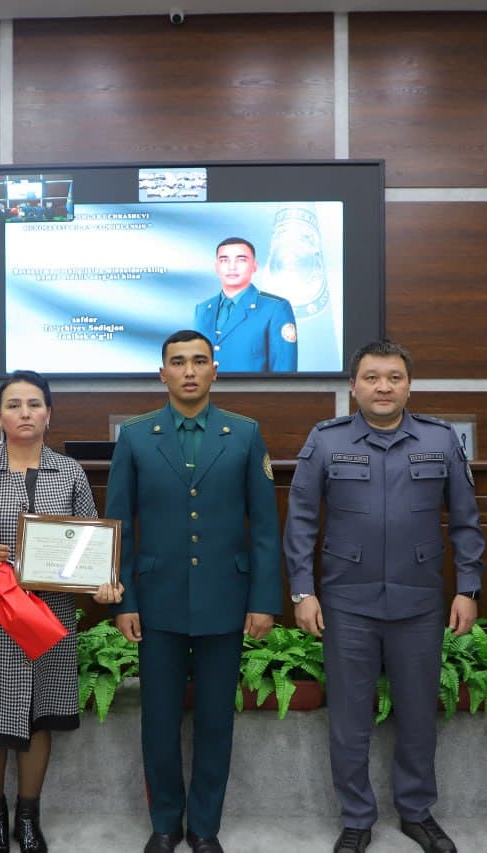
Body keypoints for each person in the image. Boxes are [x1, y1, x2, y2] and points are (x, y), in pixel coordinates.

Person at [283, 339, 484, 853]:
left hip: (419, 602)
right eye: (371, 377)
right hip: (346, 602)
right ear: (354, 386)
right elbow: (301, 522)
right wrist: (302, 590)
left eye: (393, 377)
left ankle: (417, 813)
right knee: (350, 719)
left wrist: (468, 588)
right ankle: (356, 818)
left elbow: (465, 520)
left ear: (409, 385)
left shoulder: (440, 440)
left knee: (418, 715)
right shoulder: (326, 441)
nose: (383, 386)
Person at [105, 329, 283, 853]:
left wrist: (264, 601)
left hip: (226, 600)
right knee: (158, 723)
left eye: (198, 361)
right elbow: (120, 525)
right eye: (177, 362)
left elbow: (265, 529)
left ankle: (204, 827)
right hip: (155, 602)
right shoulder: (136, 436)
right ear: (161, 373)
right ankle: (165, 824)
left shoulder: (245, 434)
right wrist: (125, 602)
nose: (188, 370)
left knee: (214, 723)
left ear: (214, 370)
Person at [0, 369, 123, 853]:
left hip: (49, 617)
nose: (25, 413)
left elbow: (90, 544)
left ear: (49, 414)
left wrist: (103, 582)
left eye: (34, 404)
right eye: (14, 404)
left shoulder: (70, 472)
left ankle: (28, 817)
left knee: (41, 717)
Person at [192, 237, 297, 373]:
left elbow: (284, 371)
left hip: (252, 394)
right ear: (216, 267)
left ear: (254, 266)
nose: (232, 267)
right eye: (224, 260)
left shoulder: (276, 308)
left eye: (241, 260)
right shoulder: (202, 310)